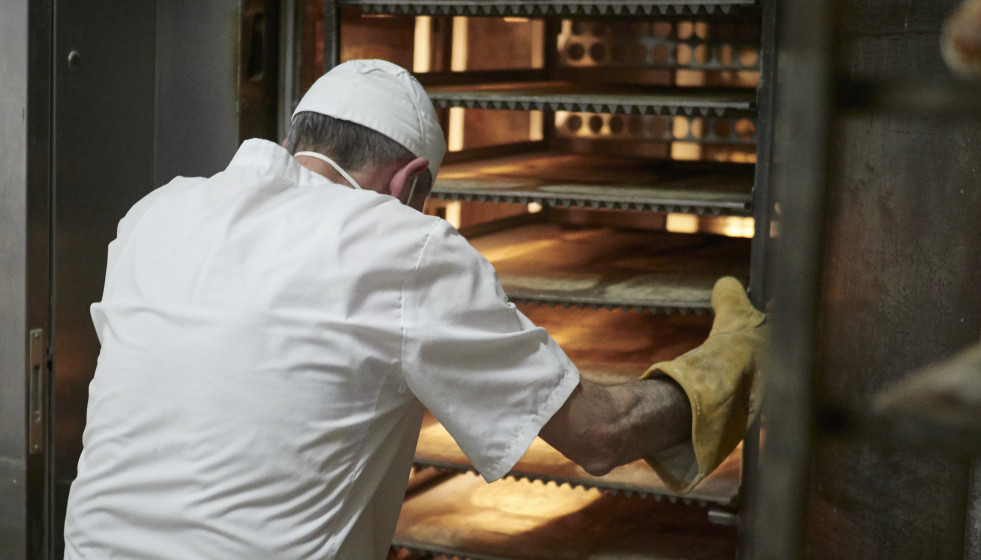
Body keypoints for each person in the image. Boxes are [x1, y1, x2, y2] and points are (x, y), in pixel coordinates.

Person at [63, 59, 766, 559]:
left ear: (292, 144)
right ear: (409, 184)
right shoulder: (400, 243)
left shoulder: (156, 213)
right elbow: (600, 435)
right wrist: (723, 371)